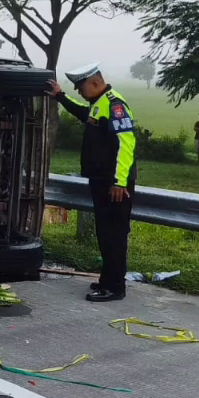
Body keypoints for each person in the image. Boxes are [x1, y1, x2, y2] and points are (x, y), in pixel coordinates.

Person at [46, 63, 138, 302]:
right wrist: (60, 96)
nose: (79, 92)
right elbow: (83, 114)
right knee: (105, 234)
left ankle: (116, 287)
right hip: (101, 181)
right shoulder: (99, 104)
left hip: (114, 184)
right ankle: (107, 279)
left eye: (81, 88)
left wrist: (120, 182)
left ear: (96, 83)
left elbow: (126, 144)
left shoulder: (115, 105)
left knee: (114, 235)